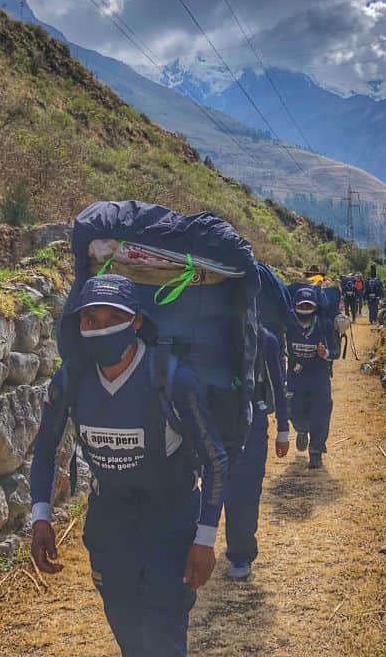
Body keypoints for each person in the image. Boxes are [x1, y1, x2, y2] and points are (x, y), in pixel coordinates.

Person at [29, 274, 228, 657]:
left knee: (162, 638)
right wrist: (41, 516)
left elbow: (215, 459)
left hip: (169, 523)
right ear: (79, 324)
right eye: (92, 321)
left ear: (137, 321)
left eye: (113, 320)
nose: (101, 330)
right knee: (129, 636)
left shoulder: (171, 379)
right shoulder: (72, 379)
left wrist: (204, 539)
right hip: (109, 526)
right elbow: (45, 447)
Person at [223, 325, 290, 579]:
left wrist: (283, 428)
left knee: (245, 490)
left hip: (253, 424)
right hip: (212, 419)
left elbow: (278, 385)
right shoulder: (208, 333)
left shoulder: (265, 340)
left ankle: (240, 553)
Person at [286, 287, 336, 468]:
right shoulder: (288, 325)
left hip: (319, 377)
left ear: (315, 307)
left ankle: (316, 450)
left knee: (321, 413)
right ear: (295, 306)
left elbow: (336, 352)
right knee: (294, 410)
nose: (305, 308)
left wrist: (326, 353)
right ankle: (301, 429)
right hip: (295, 376)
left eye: (309, 305)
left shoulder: (325, 325)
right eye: (302, 305)